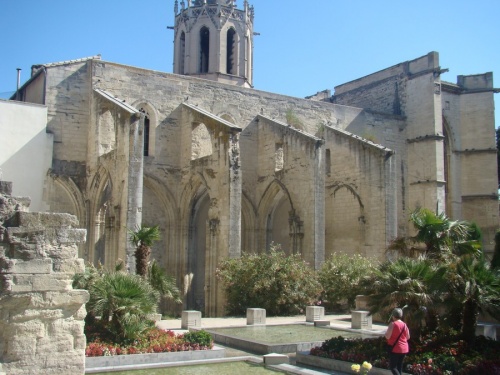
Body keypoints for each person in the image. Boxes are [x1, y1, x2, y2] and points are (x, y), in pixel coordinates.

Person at [385, 308, 410, 375]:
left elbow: (387, 336)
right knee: (399, 366)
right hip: (404, 348)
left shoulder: (393, 324)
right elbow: (408, 337)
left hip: (395, 348)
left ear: (393, 315)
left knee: (393, 367)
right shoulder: (404, 325)